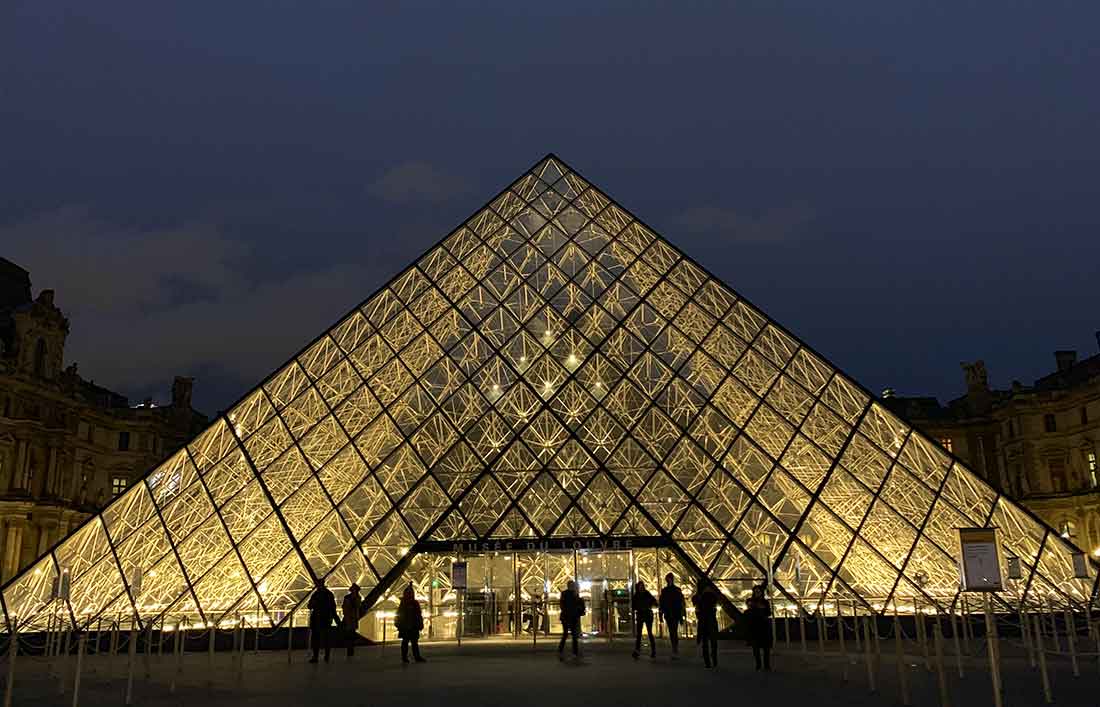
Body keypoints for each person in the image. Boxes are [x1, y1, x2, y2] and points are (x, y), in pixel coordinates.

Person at [308, 577, 338, 663]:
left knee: (318, 639)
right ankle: (325, 656)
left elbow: (309, 606)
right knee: (325, 638)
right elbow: (333, 607)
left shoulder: (316, 594)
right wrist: (336, 619)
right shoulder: (328, 594)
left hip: (319, 618)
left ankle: (317, 656)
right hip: (324, 618)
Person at [395, 584, 426, 663]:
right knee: (412, 643)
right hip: (409, 626)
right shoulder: (413, 603)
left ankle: (406, 658)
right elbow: (418, 615)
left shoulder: (405, 603)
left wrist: (398, 625)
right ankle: (414, 657)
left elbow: (418, 615)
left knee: (408, 642)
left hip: (409, 626)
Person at [745, 585, 773, 671]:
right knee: (756, 648)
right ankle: (758, 664)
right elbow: (748, 612)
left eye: (758, 591)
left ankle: (766, 665)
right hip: (755, 627)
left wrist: (762, 609)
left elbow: (769, 613)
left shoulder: (765, 602)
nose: (757, 593)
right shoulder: (750, 601)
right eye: (756, 592)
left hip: (763, 627)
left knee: (766, 648)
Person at [658, 573, 686, 658]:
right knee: (672, 631)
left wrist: (682, 615)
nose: (669, 580)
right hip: (671, 613)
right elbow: (662, 603)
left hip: (673, 613)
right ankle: (675, 647)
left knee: (673, 631)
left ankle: (675, 647)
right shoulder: (674, 590)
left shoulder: (668, 590)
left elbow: (681, 603)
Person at [693, 582, 719, 668]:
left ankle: (707, 662)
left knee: (705, 642)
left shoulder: (699, 597)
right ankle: (713, 659)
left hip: (703, 621)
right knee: (713, 642)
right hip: (710, 620)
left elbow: (696, 605)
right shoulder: (711, 596)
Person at [557, 579, 583, 661]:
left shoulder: (564, 593)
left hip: (566, 616)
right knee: (573, 635)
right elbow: (577, 605)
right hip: (572, 617)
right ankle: (574, 652)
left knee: (566, 634)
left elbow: (562, 605)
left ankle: (561, 650)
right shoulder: (575, 594)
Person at [631, 580, 657, 659]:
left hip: (645, 614)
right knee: (640, 634)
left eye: (642, 586)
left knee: (648, 633)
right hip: (642, 614)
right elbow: (633, 606)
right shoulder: (643, 594)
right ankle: (638, 650)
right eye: (640, 586)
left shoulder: (642, 594)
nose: (641, 588)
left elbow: (654, 602)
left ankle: (651, 650)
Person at [342, 583, 364, 657]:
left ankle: (350, 649)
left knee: (350, 634)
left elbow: (345, 607)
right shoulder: (357, 597)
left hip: (350, 618)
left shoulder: (350, 597)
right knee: (350, 634)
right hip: (352, 618)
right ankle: (350, 649)